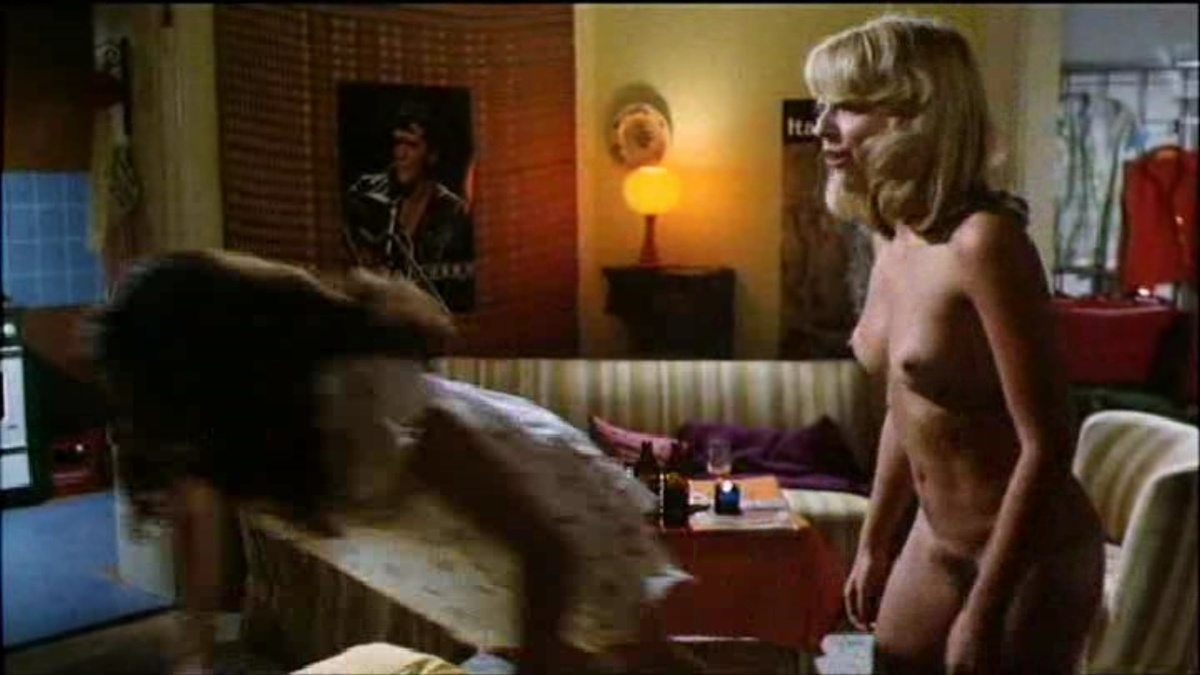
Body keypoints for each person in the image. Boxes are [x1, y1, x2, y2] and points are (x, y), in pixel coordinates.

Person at [90, 249, 698, 675]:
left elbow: (545, 549)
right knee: (573, 651)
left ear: (225, 368)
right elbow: (197, 510)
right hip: (467, 557)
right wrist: (194, 650)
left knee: (635, 654)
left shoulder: (365, 402)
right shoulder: (228, 435)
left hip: (557, 513)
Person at [805, 15, 1105, 674]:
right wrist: (875, 543)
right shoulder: (891, 235)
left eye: (847, 106)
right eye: (823, 104)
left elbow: (1049, 441)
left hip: (1031, 551)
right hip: (936, 538)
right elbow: (907, 403)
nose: (822, 124)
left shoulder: (985, 243)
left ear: (913, 113)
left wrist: (985, 609)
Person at [346, 104, 476, 313]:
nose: (400, 154)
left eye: (412, 145)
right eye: (398, 143)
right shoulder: (366, 194)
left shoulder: (453, 213)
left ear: (432, 155)